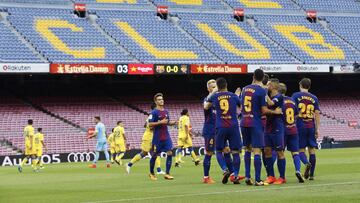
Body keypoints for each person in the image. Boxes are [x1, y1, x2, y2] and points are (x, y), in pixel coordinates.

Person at [240, 69, 282, 186]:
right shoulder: (261, 91)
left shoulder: (244, 89)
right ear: (263, 78)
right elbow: (264, 110)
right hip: (255, 123)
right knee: (257, 151)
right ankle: (257, 179)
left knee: (247, 149)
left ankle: (248, 176)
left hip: (244, 122)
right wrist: (275, 112)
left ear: (253, 76)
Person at [204, 77, 242, 184]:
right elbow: (241, 106)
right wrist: (237, 96)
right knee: (235, 152)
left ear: (217, 86)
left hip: (220, 127)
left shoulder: (215, 96)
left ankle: (225, 169)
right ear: (226, 85)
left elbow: (206, 106)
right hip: (233, 127)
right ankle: (235, 175)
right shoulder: (233, 95)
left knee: (219, 151)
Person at [292, 78, 321, 180]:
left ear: (300, 85)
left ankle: (306, 163)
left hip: (300, 125)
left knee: (300, 150)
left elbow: (292, 110)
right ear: (309, 86)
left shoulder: (295, 96)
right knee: (312, 149)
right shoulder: (314, 98)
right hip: (311, 126)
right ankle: (311, 175)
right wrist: (317, 129)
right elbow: (317, 114)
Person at [126, 104, 164, 175]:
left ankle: (129, 164)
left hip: (149, 136)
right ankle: (158, 170)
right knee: (154, 152)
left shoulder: (151, 116)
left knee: (145, 153)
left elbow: (145, 125)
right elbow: (151, 126)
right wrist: (159, 124)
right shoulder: (154, 115)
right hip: (150, 137)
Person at [279, 83, 305, 183]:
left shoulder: (278, 101)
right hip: (293, 129)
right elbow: (298, 115)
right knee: (295, 153)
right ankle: (298, 170)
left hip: (283, 130)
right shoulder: (292, 100)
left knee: (279, 153)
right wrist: (292, 120)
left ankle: (280, 176)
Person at [148, 93, 177, 180]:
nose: (162, 100)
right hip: (157, 137)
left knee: (170, 152)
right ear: (156, 102)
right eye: (159, 99)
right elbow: (149, 124)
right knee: (155, 155)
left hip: (166, 136)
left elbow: (167, 122)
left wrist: (174, 122)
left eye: (162, 99)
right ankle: (151, 173)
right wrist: (160, 122)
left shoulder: (166, 111)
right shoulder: (153, 112)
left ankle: (167, 173)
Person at [264, 78, 286, 185]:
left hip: (277, 126)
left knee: (279, 152)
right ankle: (271, 176)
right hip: (268, 126)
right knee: (267, 151)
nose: (266, 86)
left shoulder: (279, 97)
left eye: (268, 85)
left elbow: (272, 103)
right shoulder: (267, 97)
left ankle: (282, 177)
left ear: (273, 86)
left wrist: (264, 93)